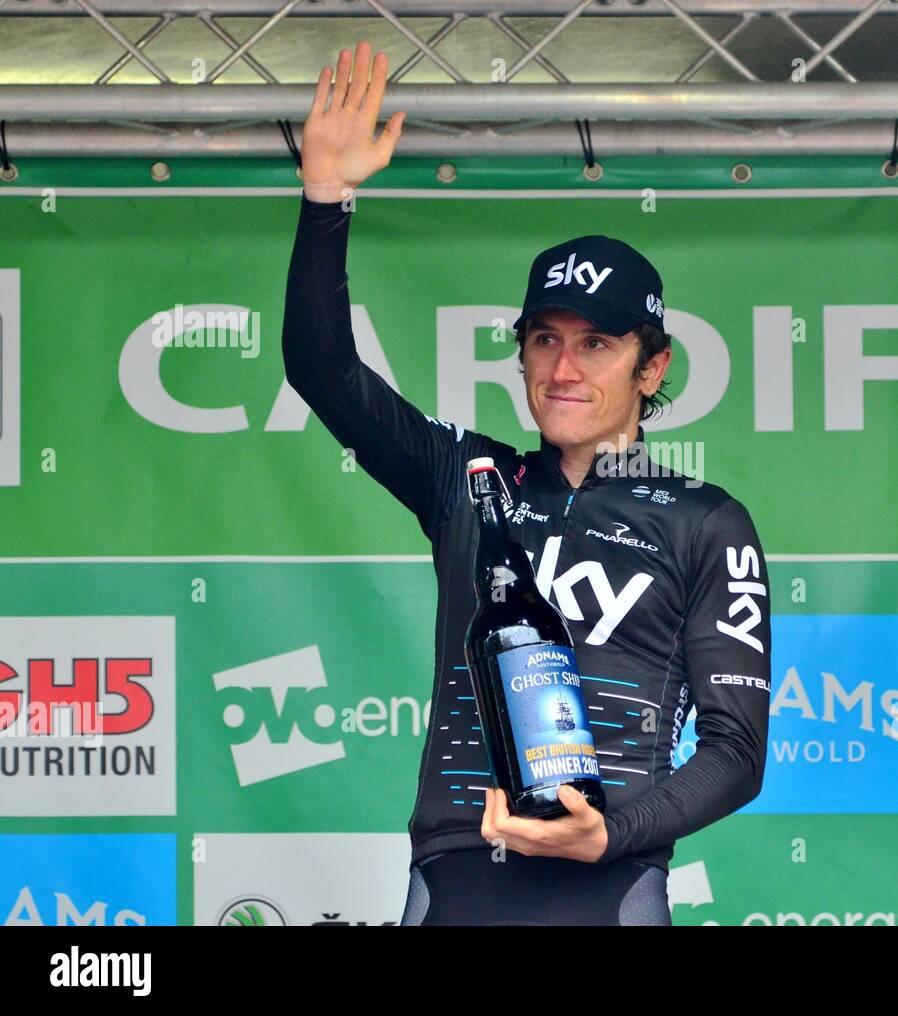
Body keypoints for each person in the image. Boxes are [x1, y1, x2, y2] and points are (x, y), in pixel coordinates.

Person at [282, 42, 771, 926]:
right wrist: (327, 196)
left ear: (651, 367)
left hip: (609, 884)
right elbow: (323, 367)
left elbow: (736, 752)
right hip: (460, 878)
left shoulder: (706, 519)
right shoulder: (466, 476)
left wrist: (612, 833)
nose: (563, 367)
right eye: (544, 339)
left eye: (596, 343)